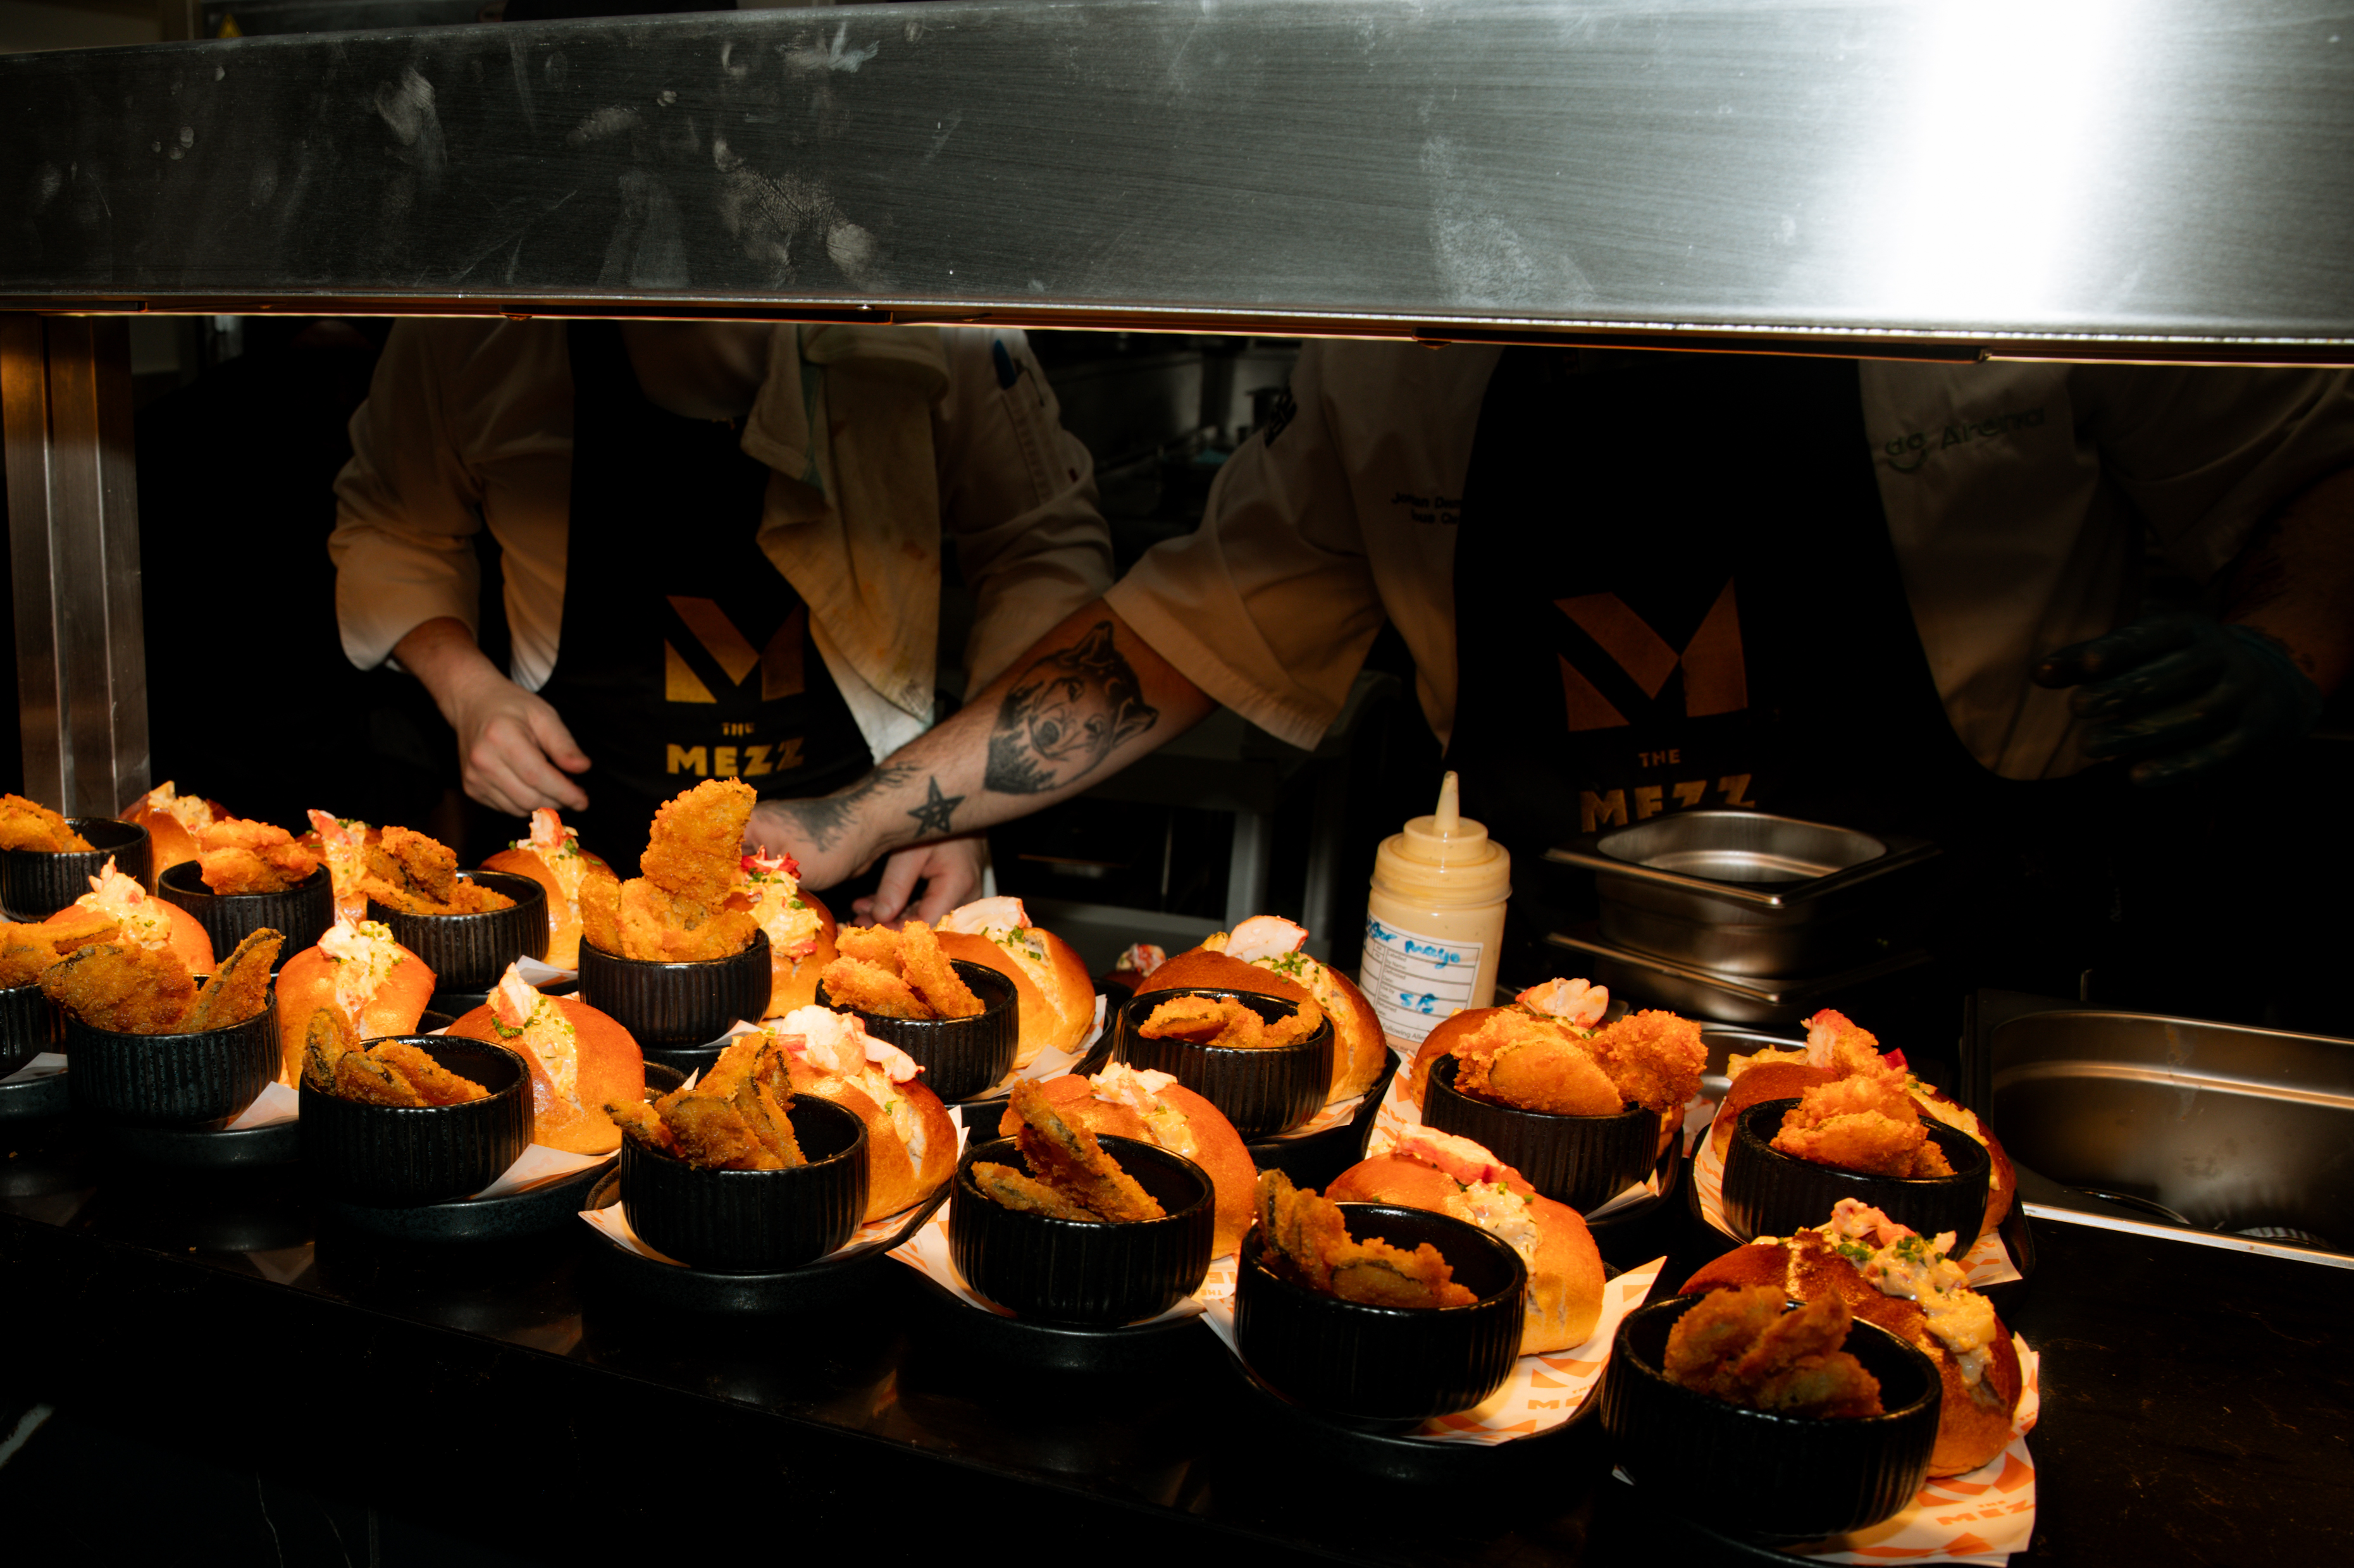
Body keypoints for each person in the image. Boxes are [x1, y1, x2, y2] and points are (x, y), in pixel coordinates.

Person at [748, 346, 2350, 1013]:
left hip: (1962, 998)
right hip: (1567, 1027)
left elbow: (2313, 476)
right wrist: (854, 814)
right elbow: (1165, 640)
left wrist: (2285, 647)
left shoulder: (1983, 254)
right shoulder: (1406, 367)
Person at [331, 319, 1110, 920]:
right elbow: (394, 523)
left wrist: (955, 801)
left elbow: (1040, 546)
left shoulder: (934, 311)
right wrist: (468, 690)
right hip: (581, 874)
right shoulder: (488, 318)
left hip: (895, 868)